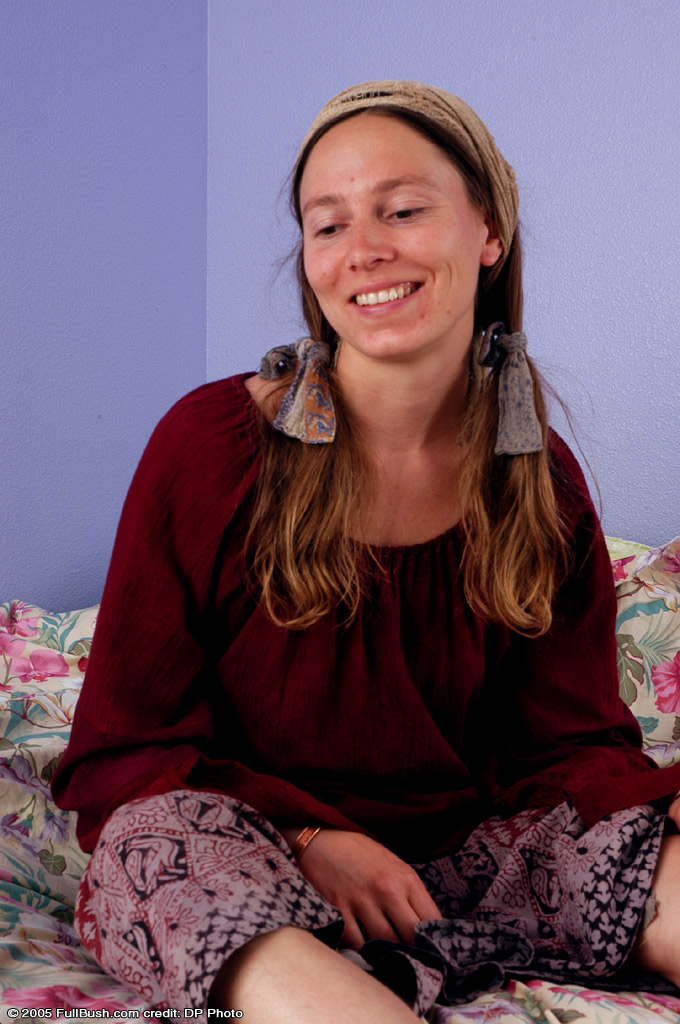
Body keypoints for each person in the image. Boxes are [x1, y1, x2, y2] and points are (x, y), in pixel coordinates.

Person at [52, 81, 680, 1020]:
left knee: (645, 847)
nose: (365, 250)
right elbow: (124, 754)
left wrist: (653, 809)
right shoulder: (209, 449)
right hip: (246, 849)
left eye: (402, 210)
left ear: (489, 231)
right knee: (155, 844)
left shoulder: (537, 479)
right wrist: (311, 840)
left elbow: (569, 745)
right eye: (329, 224)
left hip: (465, 862)